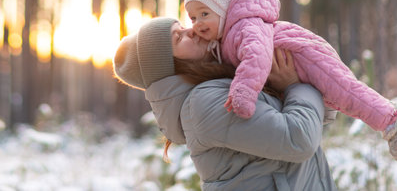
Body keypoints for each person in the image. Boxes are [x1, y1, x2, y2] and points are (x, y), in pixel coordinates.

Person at [183, 0, 397, 162]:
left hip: (304, 55)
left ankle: (395, 125)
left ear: (224, 9)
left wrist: (243, 91)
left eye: (205, 14)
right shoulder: (227, 36)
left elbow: (257, 57)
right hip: (296, 61)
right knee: (345, 96)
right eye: (193, 18)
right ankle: (387, 109)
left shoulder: (245, 25)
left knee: (346, 92)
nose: (197, 23)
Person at [113, 17, 338, 190]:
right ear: (169, 68)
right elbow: (299, 138)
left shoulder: (220, 83)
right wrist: (295, 85)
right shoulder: (202, 104)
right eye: (178, 38)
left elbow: (305, 121)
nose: (190, 30)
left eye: (181, 26)